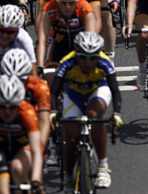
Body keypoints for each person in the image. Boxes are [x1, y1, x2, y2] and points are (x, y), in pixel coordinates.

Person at [50, 31, 122, 190]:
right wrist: (54, 112)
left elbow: (115, 91)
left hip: (97, 91)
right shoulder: (67, 62)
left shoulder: (105, 62)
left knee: (94, 116)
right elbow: (54, 91)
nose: (87, 62)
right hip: (73, 95)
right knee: (72, 137)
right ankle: (68, 176)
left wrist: (116, 114)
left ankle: (103, 166)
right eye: (83, 57)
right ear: (76, 54)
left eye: (92, 57)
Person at [0, 49, 52, 167]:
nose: (14, 83)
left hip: (29, 130)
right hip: (2, 131)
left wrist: (40, 150)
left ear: (28, 77)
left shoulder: (40, 87)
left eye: (20, 80)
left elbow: (44, 122)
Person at [0, 75, 45, 191]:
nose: (7, 112)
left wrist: (36, 181)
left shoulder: (28, 112)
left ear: (19, 104)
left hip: (23, 148)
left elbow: (37, 151)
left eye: (12, 107)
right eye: (3, 107)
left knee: (17, 167)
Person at [36, 0, 97, 85]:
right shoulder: (49, 8)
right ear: (56, 1)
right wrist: (40, 66)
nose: (68, 7)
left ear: (77, 0)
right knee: (51, 79)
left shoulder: (85, 8)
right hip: (58, 46)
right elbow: (42, 40)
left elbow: (91, 38)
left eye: (72, 2)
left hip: (80, 46)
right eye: (63, 3)